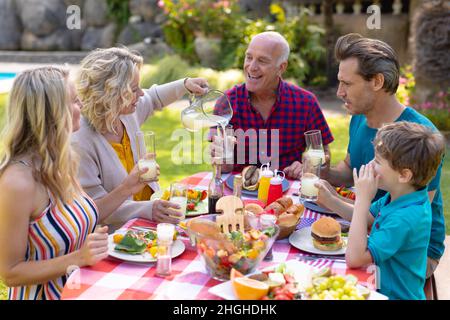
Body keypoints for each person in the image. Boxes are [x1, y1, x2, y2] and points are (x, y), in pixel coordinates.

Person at [316, 33, 446, 280]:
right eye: (339, 82)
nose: (339, 92)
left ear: (377, 81)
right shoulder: (358, 117)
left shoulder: (419, 137)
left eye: (347, 84)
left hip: (410, 253)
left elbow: (408, 217)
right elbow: (349, 169)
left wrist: (346, 206)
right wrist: (323, 173)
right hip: (372, 225)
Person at [0, 67, 118, 299]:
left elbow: (79, 217)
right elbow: (9, 272)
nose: (81, 107)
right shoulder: (17, 183)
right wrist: (77, 259)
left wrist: (129, 187)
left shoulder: (62, 161)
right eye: (74, 101)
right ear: (52, 113)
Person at [72, 47, 208, 231]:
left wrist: (185, 84)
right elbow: (95, 209)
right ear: (111, 95)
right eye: (134, 89)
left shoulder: (124, 112)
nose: (141, 94)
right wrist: (147, 209)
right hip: (119, 236)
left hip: (153, 220)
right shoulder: (80, 141)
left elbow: (153, 98)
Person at [211, 31, 334, 177]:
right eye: (249, 57)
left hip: (288, 193)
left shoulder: (306, 103)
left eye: (262, 61)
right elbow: (221, 165)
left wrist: (307, 166)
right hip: (238, 192)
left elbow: (323, 153)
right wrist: (223, 161)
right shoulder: (226, 103)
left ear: (281, 67)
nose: (251, 67)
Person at [346, 122, 445, 300]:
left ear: (404, 175)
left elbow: (355, 258)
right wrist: (329, 199)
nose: (370, 165)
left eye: (377, 161)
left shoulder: (405, 218)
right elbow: (367, 219)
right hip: (379, 285)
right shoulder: (402, 195)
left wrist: (362, 199)